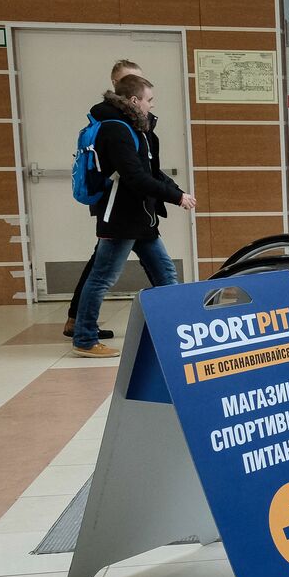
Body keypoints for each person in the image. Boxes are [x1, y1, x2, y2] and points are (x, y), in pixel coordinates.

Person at [72, 74, 197, 358]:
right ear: (133, 100)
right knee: (102, 277)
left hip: (141, 217)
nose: (151, 105)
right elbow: (135, 177)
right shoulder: (116, 130)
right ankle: (84, 338)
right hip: (121, 217)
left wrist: (175, 190)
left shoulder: (135, 127)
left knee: (165, 273)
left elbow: (150, 171)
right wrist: (176, 197)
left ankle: (175, 332)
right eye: (148, 100)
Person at [64, 59, 143, 339]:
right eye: (127, 81)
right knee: (101, 270)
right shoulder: (113, 121)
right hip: (118, 206)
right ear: (115, 86)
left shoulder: (128, 118)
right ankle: (81, 327)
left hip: (133, 207)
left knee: (105, 266)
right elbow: (132, 169)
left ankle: (79, 321)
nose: (135, 87)